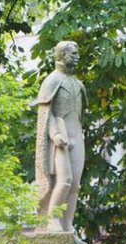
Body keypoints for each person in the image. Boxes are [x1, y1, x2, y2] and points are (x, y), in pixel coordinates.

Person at [32, 40, 88, 232]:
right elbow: (46, 115)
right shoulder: (52, 80)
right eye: (73, 53)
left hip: (77, 137)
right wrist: (55, 134)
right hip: (59, 140)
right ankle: (52, 219)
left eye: (77, 53)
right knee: (64, 181)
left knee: (75, 185)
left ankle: (68, 224)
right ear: (62, 55)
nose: (77, 57)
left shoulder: (77, 84)